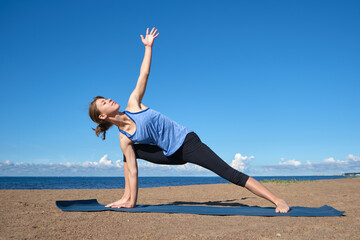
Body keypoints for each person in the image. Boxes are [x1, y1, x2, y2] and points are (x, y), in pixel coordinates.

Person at [88, 27, 290, 213]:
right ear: (102, 116)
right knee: (129, 153)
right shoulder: (124, 138)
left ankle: (277, 200)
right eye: (104, 103)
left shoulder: (134, 105)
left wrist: (148, 47)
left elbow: (144, 74)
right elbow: (132, 171)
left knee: (229, 173)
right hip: (170, 155)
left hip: (187, 143)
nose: (109, 100)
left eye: (106, 98)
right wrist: (132, 198)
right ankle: (128, 198)